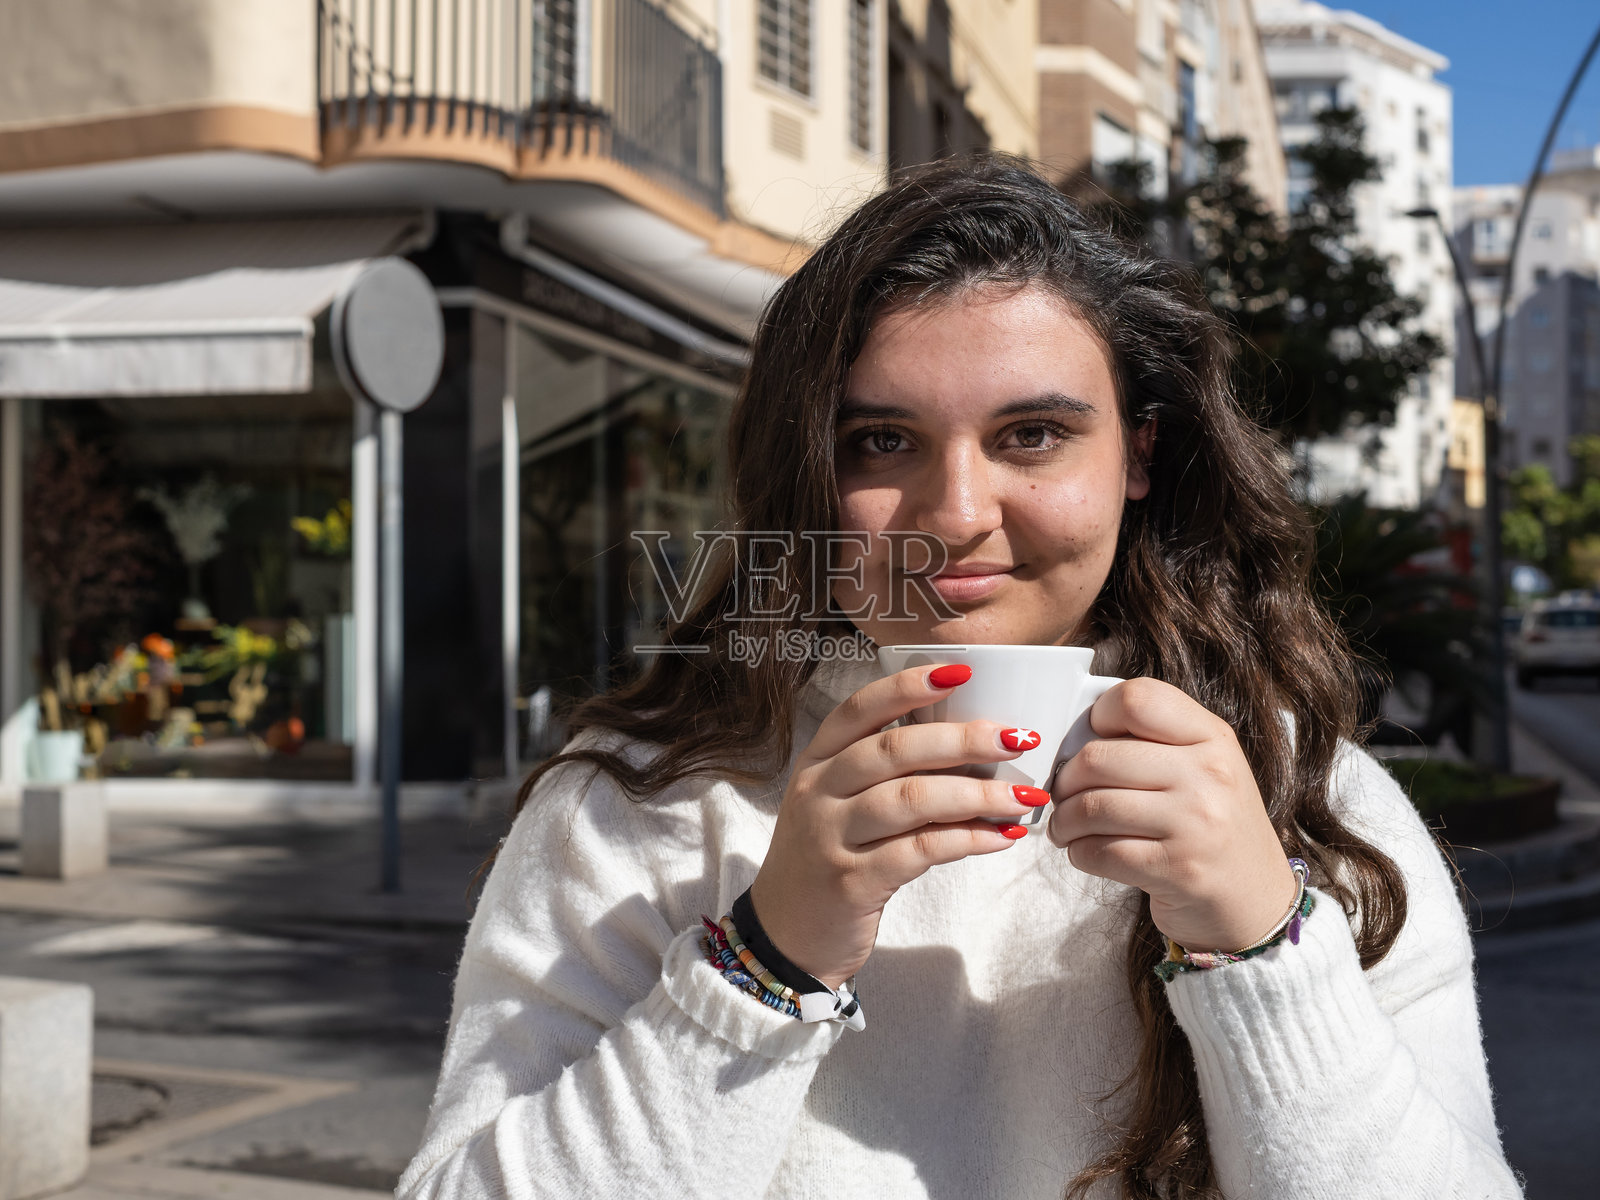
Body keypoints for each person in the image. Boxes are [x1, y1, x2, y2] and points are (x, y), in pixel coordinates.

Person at [397, 158, 1520, 1199]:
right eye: (880, 442)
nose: (958, 516)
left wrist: (1261, 944)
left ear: (1139, 455)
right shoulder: (640, 805)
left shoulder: (1311, 798)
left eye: (1032, 435)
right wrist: (761, 960)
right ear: (806, 469)